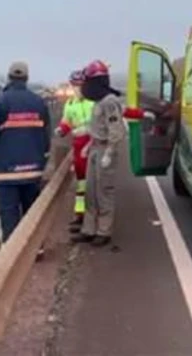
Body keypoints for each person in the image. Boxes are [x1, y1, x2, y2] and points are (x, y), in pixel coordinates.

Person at [0, 61, 52, 244]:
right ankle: (35, 249)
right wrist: (43, 161)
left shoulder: (0, 101)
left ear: (9, 78)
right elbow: (46, 136)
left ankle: (9, 253)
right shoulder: (39, 102)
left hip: (6, 170)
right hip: (33, 169)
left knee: (8, 214)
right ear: (26, 78)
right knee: (32, 212)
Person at [71, 60, 129, 247]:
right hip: (95, 147)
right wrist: (89, 144)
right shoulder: (98, 102)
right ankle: (88, 229)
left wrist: (109, 152)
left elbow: (116, 130)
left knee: (104, 191)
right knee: (90, 191)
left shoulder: (109, 102)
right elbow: (97, 127)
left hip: (105, 150)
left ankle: (104, 231)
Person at [54, 70, 94, 233]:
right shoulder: (70, 104)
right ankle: (80, 215)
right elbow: (67, 122)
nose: (77, 88)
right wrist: (61, 130)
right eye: (74, 85)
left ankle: (92, 217)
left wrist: (87, 130)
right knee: (81, 183)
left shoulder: (93, 102)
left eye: (79, 85)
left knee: (92, 183)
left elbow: (99, 123)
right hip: (78, 145)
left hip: (91, 143)